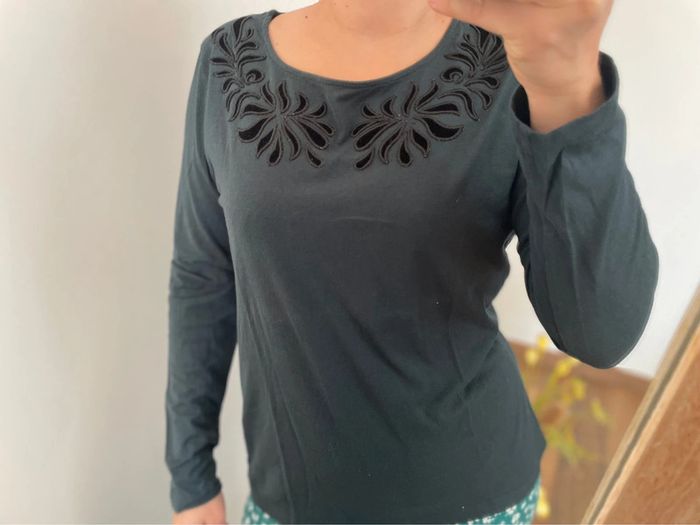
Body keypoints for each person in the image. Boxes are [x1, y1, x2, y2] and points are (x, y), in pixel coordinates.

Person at [165, 1, 659, 524]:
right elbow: (203, 276)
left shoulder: (513, 60)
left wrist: (568, 92)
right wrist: (191, 476)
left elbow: (600, 332)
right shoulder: (228, 63)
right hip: (288, 500)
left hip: (474, 501)